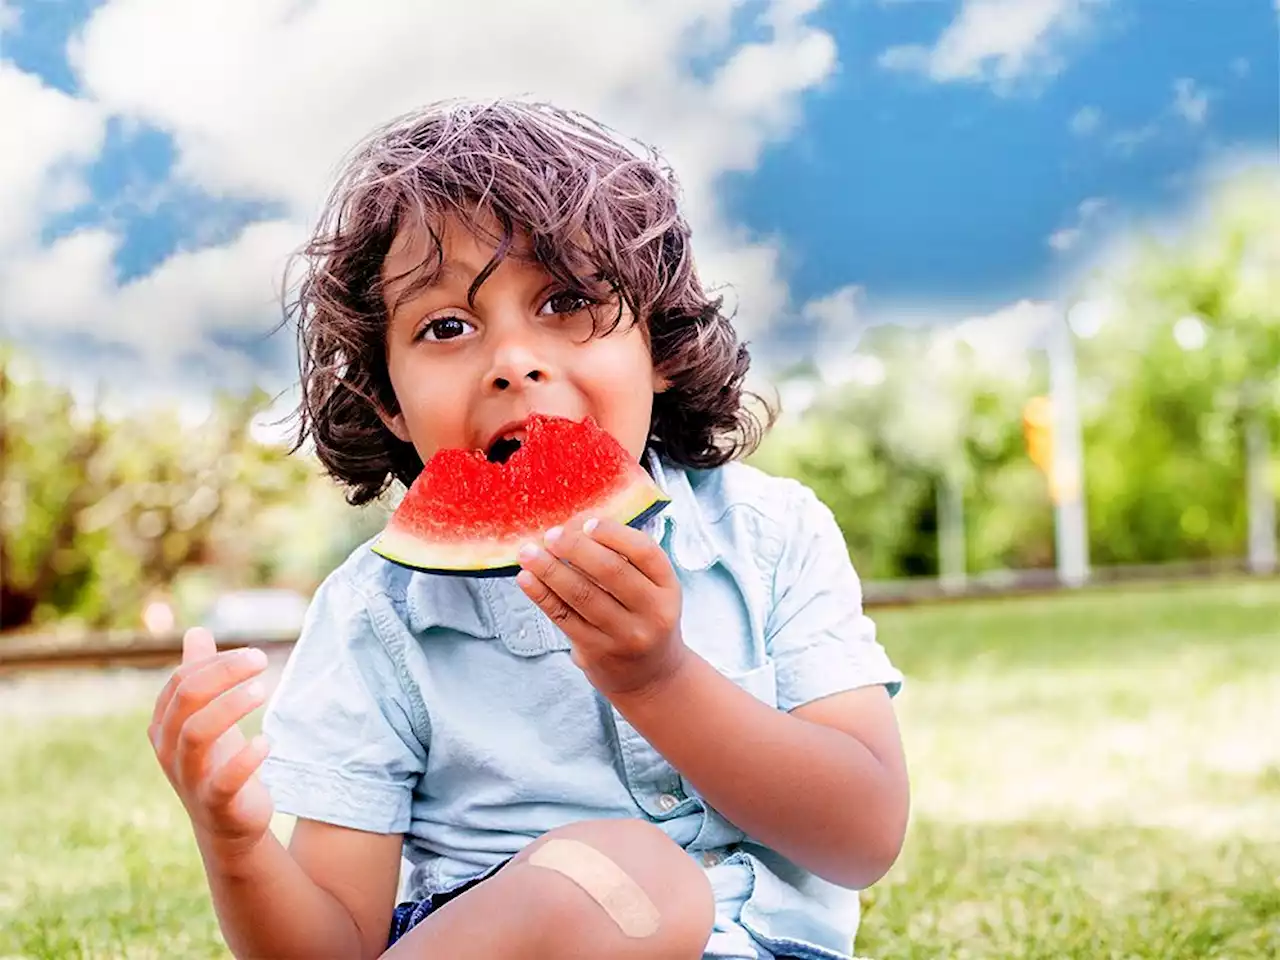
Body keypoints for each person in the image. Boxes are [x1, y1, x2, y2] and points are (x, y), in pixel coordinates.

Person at [148, 97, 909, 960]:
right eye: (447, 327)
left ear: (657, 343)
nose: (513, 361)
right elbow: (335, 944)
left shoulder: (773, 537)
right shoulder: (377, 616)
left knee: (655, 884)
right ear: (390, 403)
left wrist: (659, 678)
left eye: (566, 301)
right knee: (638, 877)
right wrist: (238, 846)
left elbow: (863, 836)